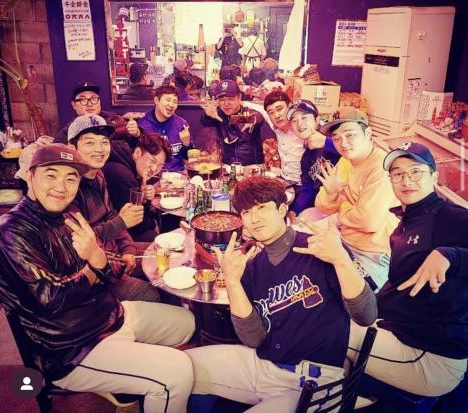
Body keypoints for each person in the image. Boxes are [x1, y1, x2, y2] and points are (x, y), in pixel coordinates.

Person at [0, 144, 195, 413]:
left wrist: (98, 260)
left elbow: (112, 267)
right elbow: (51, 299)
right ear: (30, 176)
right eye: (51, 175)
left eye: (71, 178)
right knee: (177, 373)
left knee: (188, 322)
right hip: (71, 348)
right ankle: (142, 379)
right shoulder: (10, 231)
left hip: (109, 314)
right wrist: (95, 265)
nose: (61, 187)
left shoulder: (69, 214)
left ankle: (131, 375)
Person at [186, 176, 377, 412]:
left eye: (261, 207)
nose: (254, 218)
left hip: (313, 383)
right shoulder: (252, 266)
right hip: (262, 366)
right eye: (246, 212)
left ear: (282, 209)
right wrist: (233, 282)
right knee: (181, 367)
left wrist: (341, 261)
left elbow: (366, 315)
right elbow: (253, 340)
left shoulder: (321, 249)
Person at [346, 142, 468, 396]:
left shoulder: (449, 216)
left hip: (430, 354)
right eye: (398, 174)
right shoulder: (405, 224)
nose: (406, 180)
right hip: (399, 329)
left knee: (325, 330)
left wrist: (451, 255)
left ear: (434, 177)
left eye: (415, 172)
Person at [66, 114, 160, 302]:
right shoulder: (68, 186)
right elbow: (78, 243)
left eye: (104, 142)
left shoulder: (99, 175)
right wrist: (120, 223)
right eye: (90, 143)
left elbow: (111, 215)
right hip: (95, 268)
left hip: (115, 250)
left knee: (166, 255)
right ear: (72, 148)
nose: (99, 149)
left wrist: (128, 249)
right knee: (151, 294)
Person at [313, 107, 399, 290]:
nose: (343, 144)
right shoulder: (346, 160)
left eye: (350, 135)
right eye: (336, 138)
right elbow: (321, 206)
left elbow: (368, 222)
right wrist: (332, 194)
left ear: (368, 133)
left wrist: (340, 205)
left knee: (345, 296)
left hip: (373, 254)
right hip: (344, 241)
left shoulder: (381, 167)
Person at [103, 132, 171, 242]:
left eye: (160, 166)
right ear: (137, 153)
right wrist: (153, 223)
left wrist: (144, 197)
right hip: (112, 234)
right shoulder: (122, 176)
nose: (154, 169)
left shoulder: (125, 159)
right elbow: (137, 225)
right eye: (152, 161)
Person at [287, 99, 340, 213]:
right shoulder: (306, 157)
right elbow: (308, 188)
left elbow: (354, 150)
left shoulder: (334, 137)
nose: (299, 124)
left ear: (317, 120)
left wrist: (326, 142)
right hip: (323, 206)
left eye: (304, 118)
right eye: (294, 120)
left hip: (344, 204)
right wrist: (294, 212)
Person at [55, 81, 144, 145]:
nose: (89, 104)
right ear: (74, 105)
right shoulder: (68, 133)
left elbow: (138, 145)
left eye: (94, 98)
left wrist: (136, 134)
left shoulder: (116, 121)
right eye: (83, 99)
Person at [201, 80, 265, 166]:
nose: (226, 104)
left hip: (251, 167)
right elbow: (204, 121)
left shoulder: (247, 113)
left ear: (239, 97)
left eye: (230, 99)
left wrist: (252, 120)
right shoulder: (218, 115)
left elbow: (259, 117)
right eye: (222, 100)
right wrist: (207, 114)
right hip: (227, 167)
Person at [139, 85, 192, 171]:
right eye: (168, 100)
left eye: (175, 101)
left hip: (178, 175)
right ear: (156, 100)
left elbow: (189, 158)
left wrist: (186, 144)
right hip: (153, 174)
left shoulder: (182, 124)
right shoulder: (143, 125)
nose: (171, 105)